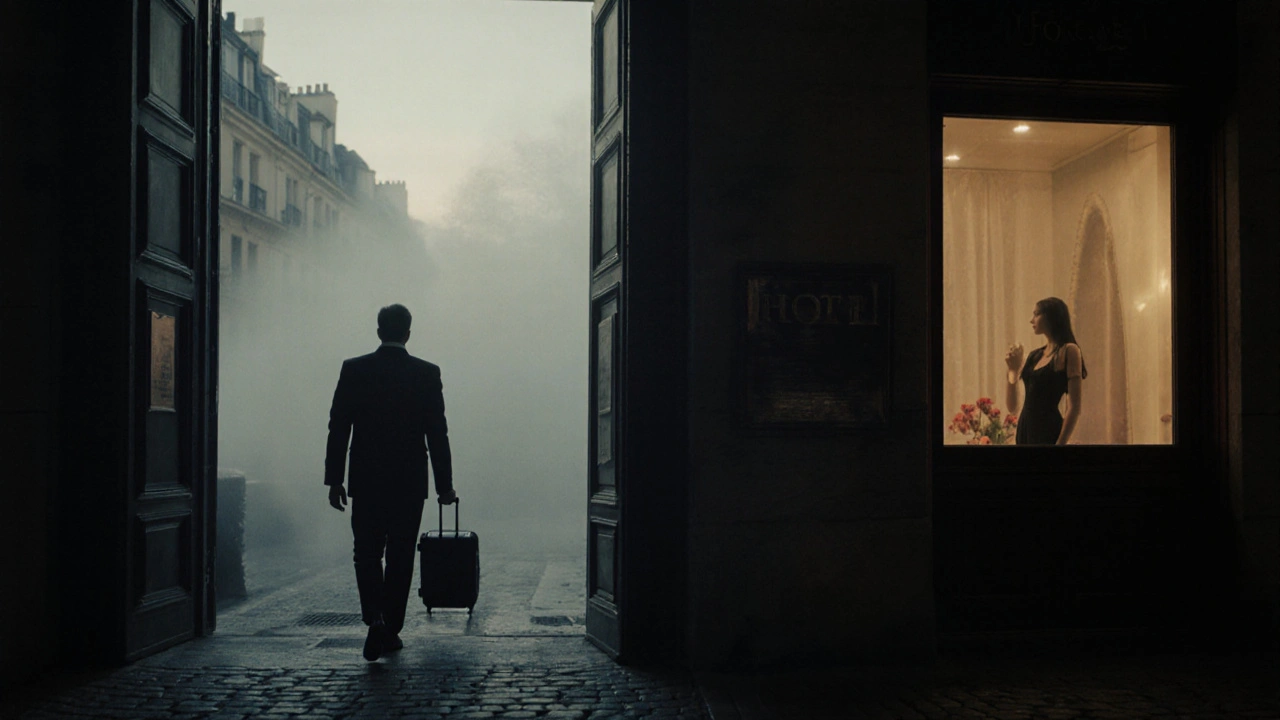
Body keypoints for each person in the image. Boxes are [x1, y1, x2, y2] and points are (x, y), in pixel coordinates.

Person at [325, 303, 458, 661]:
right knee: (400, 554)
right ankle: (390, 627)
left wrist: (334, 479)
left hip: (366, 481)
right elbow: (437, 434)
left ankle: (375, 618)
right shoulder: (426, 373)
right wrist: (444, 486)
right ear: (408, 333)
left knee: (366, 553)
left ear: (379, 330)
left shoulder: (354, 370)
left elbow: (339, 427)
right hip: (409, 482)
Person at [1003, 297, 1088, 445]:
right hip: (1025, 430)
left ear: (1051, 316)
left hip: (1048, 430)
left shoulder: (1068, 351)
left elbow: (1074, 406)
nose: (1031, 320)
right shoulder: (1034, 356)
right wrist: (1012, 371)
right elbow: (1012, 407)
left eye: (1036, 314)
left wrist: (1060, 443)